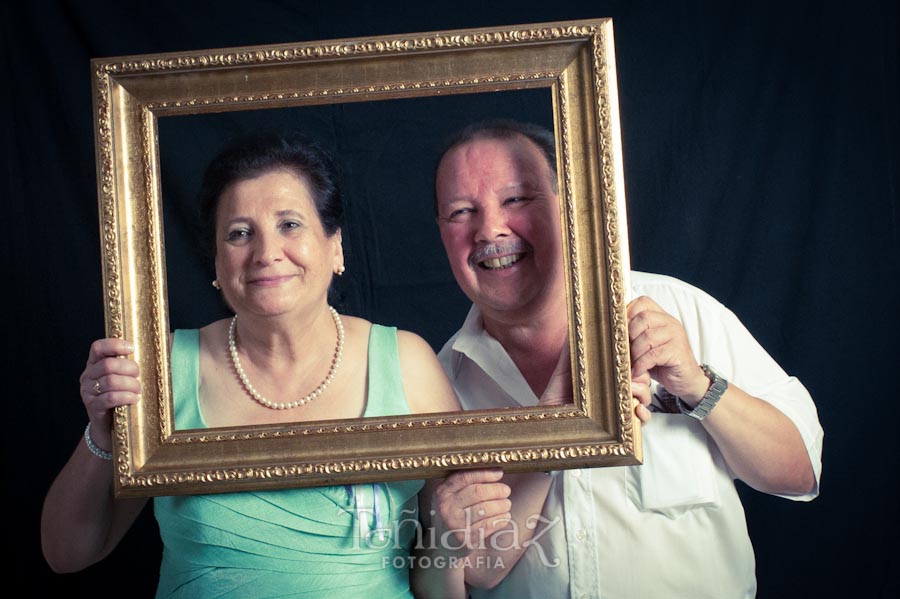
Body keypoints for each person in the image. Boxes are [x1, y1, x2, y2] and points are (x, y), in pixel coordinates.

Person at [413, 120, 823, 599]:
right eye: (461, 211)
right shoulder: (436, 381)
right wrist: (556, 433)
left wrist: (698, 385)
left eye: (516, 200)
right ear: (442, 232)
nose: (491, 229)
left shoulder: (680, 309)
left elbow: (801, 471)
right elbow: (475, 570)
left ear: (569, 204)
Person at [40, 132, 460, 598]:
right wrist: (102, 433)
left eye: (290, 225)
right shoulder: (161, 370)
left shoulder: (407, 362)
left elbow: (441, 572)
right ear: (217, 264)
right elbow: (67, 553)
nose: (266, 253)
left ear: (334, 245)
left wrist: (454, 544)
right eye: (240, 233)